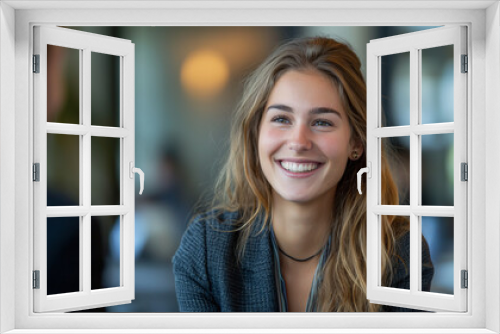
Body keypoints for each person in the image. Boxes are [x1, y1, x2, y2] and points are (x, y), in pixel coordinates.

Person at [172, 36, 434, 312]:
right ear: (256, 133)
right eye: (281, 119)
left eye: (322, 122)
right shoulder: (206, 249)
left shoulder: (399, 254)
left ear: (356, 143)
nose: (298, 142)